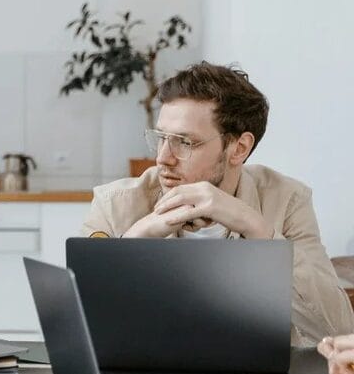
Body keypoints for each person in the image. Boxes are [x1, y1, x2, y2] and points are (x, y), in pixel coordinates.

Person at [82, 62, 354, 346]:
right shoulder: (115, 204)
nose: (163, 158)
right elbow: (81, 329)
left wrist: (256, 228)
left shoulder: (287, 201)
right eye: (162, 138)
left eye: (185, 142)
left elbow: (337, 330)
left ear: (239, 148)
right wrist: (133, 242)